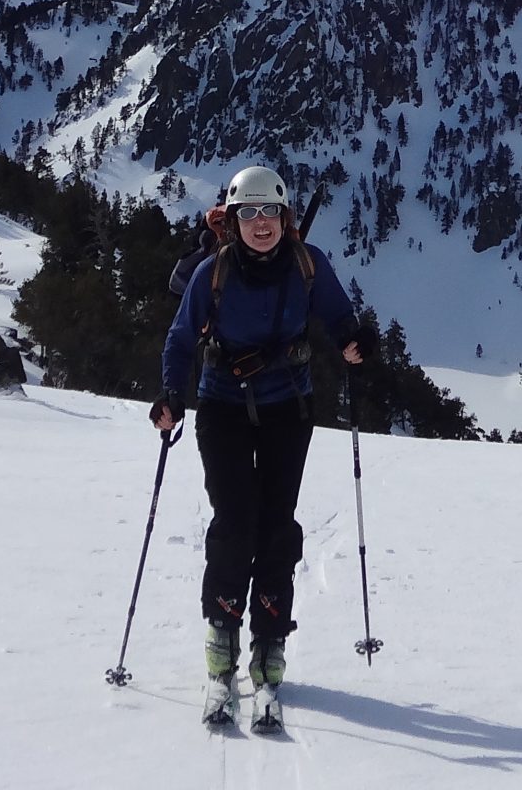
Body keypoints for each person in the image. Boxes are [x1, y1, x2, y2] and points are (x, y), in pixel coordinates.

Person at [152, 163, 366, 723]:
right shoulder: (214, 272)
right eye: (249, 213)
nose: (261, 223)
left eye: (270, 211)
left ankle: (269, 643)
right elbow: (180, 338)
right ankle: (222, 636)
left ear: (285, 216)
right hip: (221, 406)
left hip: (288, 409)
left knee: (275, 524)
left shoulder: (308, 265)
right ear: (233, 220)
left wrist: (352, 339)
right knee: (234, 521)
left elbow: (340, 315)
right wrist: (171, 393)